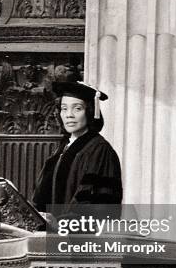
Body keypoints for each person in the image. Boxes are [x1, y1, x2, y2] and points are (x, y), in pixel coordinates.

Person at [32, 81, 122, 217]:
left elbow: (98, 204)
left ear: (90, 112)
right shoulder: (62, 148)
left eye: (77, 108)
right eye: (64, 108)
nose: (69, 115)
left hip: (77, 235)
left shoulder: (100, 150)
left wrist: (60, 222)